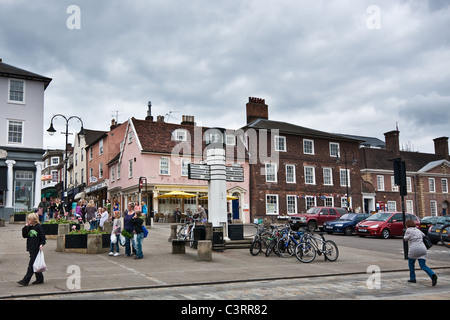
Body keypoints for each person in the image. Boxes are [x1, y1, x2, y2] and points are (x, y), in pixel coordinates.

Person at [404, 219, 437, 286]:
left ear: (407, 225)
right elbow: (424, 236)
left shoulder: (408, 230)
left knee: (411, 264)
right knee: (423, 265)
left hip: (414, 249)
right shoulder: (418, 230)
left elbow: (405, 238)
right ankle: (432, 274)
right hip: (423, 249)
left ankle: (413, 278)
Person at [17, 213, 46, 286]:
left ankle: (25, 280)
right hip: (30, 247)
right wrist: (26, 227)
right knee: (35, 264)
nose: (28, 220)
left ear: (34, 220)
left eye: (30, 219)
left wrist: (41, 244)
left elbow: (43, 238)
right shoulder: (30, 227)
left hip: (36, 248)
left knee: (32, 265)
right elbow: (24, 235)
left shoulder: (39, 227)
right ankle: (40, 279)